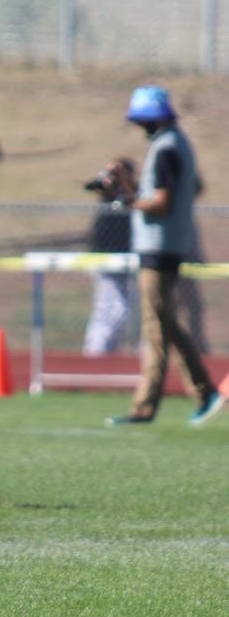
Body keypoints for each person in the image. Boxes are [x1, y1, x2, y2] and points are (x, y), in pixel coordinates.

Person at [107, 86, 222, 428]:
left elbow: (160, 202)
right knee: (157, 328)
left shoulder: (165, 148)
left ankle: (203, 391)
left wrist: (128, 200)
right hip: (170, 244)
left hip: (158, 247)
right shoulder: (180, 144)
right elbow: (194, 187)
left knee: (162, 323)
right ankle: (145, 407)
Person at [80, 158, 136, 356]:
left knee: (122, 311)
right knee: (111, 309)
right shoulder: (108, 194)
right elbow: (90, 186)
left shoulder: (132, 194)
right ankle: (95, 352)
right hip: (103, 259)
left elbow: (135, 197)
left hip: (125, 259)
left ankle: (106, 351)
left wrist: (124, 182)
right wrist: (107, 181)